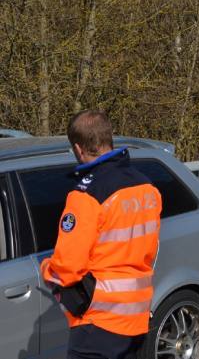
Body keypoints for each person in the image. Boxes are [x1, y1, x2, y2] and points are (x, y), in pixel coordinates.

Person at [40, 110, 162, 358]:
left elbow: (68, 266)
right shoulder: (146, 187)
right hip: (137, 316)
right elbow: (150, 249)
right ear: (109, 138)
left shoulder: (86, 196)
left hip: (100, 322)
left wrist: (46, 269)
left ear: (78, 148)